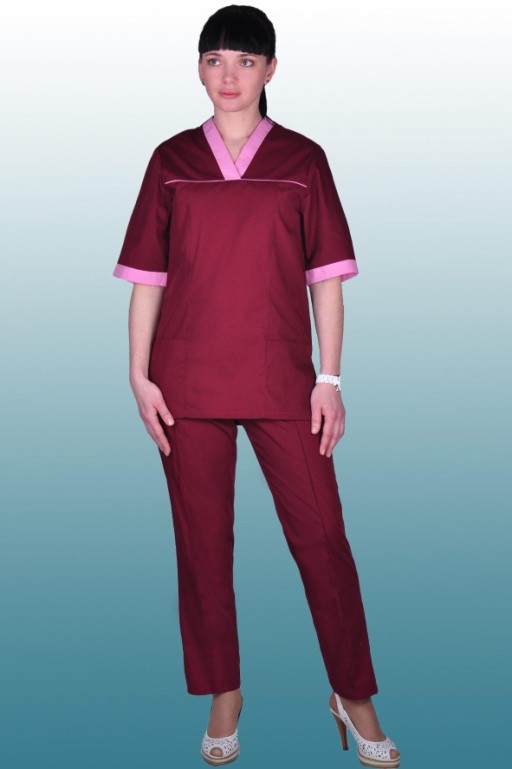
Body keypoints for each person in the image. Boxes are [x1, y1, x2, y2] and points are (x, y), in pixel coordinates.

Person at [112, 5, 401, 767]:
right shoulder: (172, 159)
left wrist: (330, 377)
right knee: (202, 544)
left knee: (323, 539)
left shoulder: (303, 159)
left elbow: (326, 280)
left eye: (245, 59)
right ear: (198, 70)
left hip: (284, 383)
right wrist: (138, 375)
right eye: (214, 59)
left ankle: (353, 693)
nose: (229, 75)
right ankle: (224, 692)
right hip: (186, 382)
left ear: (272, 69)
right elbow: (147, 279)